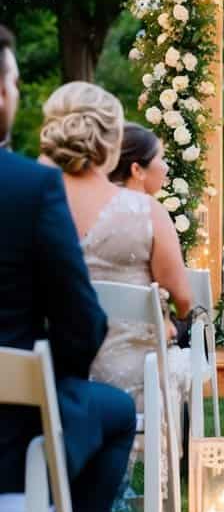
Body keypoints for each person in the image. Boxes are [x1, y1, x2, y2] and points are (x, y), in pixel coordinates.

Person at [0, 29, 135, 512]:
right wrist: (55, 386)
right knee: (117, 411)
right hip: (8, 440)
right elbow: (82, 323)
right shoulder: (30, 189)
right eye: (13, 81)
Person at [39, 89, 193, 412]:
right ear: (110, 142)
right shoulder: (146, 211)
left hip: (51, 375)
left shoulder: (31, 202)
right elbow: (183, 298)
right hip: (135, 379)